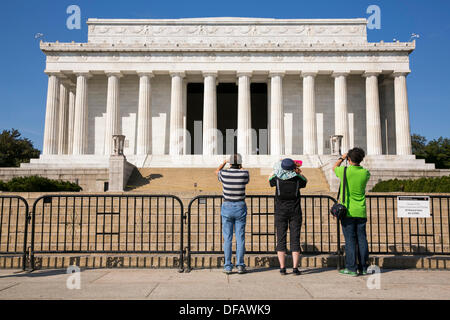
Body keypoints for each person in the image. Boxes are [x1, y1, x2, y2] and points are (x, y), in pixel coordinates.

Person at [333, 147, 371, 276]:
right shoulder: (365, 173)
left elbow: (334, 167)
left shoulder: (344, 171)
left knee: (350, 240)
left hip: (347, 211)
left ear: (349, 159)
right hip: (361, 211)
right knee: (362, 240)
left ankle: (351, 268)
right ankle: (364, 267)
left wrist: (341, 158)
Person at [269, 158, 307, 275]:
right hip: (295, 211)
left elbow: (270, 178)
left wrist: (277, 165)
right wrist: (298, 171)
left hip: (280, 211)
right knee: (295, 239)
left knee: (281, 238)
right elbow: (305, 181)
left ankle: (282, 267)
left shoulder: (277, 179)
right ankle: (295, 268)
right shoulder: (297, 178)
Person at [215, 153, 250, 274]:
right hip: (240, 205)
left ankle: (228, 266)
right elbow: (245, 172)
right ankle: (240, 265)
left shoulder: (224, 174)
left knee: (228, 238)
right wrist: (240, 165)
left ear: (230, 163)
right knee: (240, 238)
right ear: (240, 163)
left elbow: (217, 171)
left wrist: (224, 162)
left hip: (227, 205)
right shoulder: (244, 174)